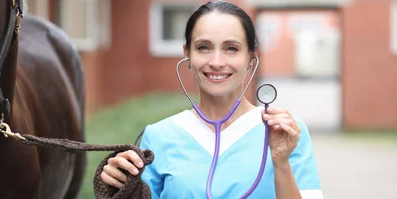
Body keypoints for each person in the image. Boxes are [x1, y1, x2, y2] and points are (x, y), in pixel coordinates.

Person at [98, 1, 324, 198]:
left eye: (231, 48)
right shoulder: (158, 137)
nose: (216, 61)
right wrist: (117, 186)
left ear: (251, 57)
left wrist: (281, 163)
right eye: (203, 47)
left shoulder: (286, 132)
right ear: (187, 54)